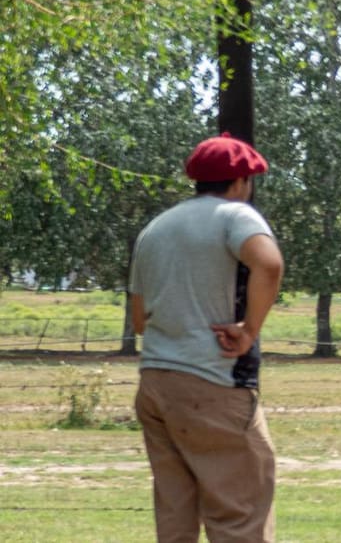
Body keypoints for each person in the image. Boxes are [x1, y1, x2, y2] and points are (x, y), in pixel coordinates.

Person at [129, 132, 285, 542]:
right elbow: (269, 266)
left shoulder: (155, 228)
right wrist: (249, 330)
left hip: (156, 381)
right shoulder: (236, 216)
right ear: (240, 182)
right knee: (240, 514)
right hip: (212, 379)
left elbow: (139, 319)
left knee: (175, 514)